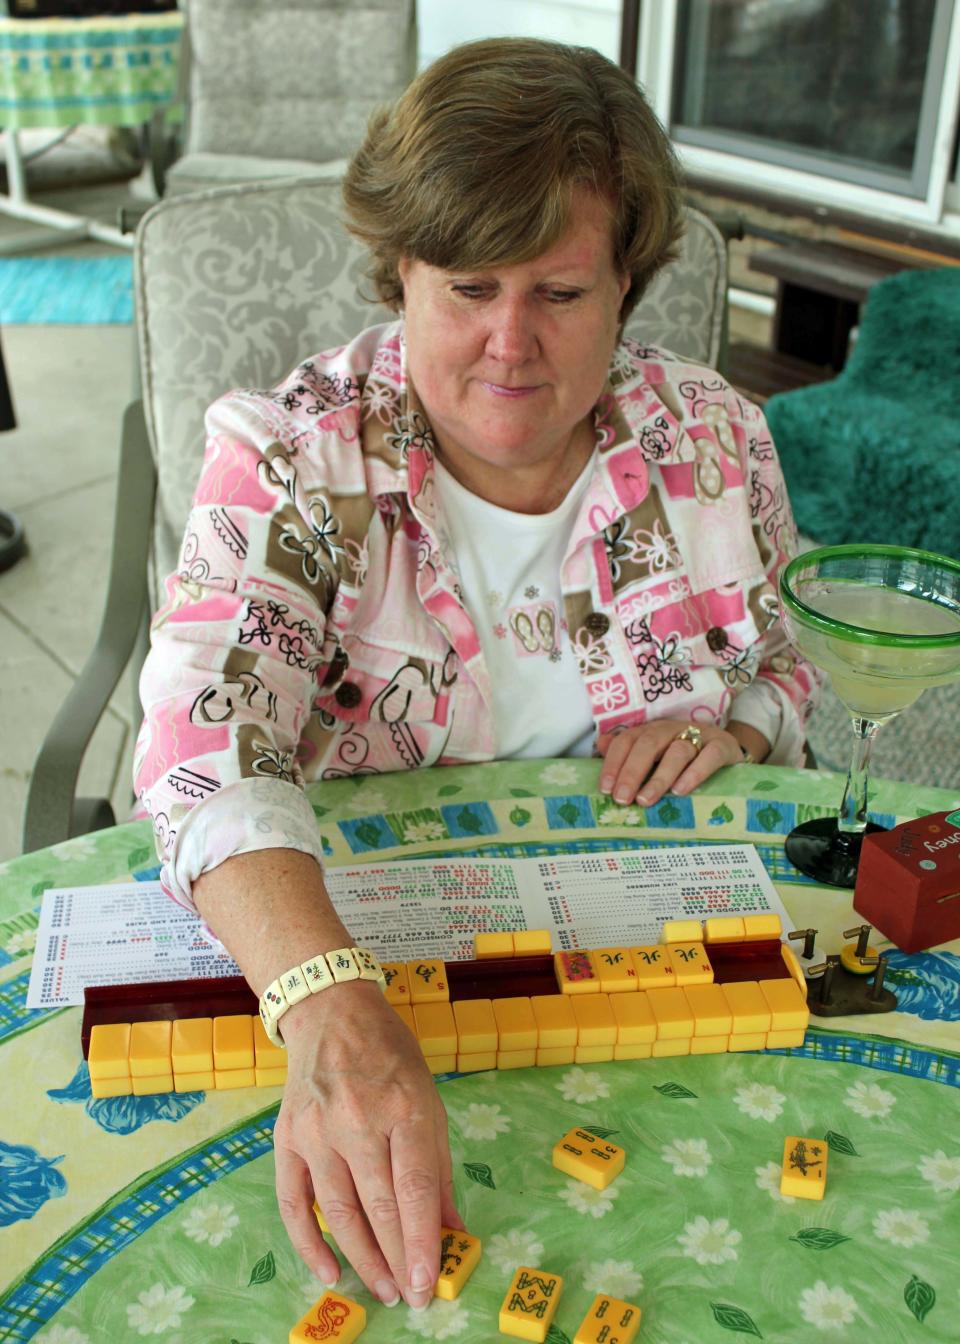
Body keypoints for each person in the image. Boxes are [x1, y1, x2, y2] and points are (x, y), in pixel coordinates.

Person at [134, 37, 820, 1314]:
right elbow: (197, 748)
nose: (511, 345)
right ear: (399, 275)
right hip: (345, 986)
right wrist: (326, 1003)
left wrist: (753, 724)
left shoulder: (720, 439)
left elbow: (787, 663)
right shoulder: (291, 459)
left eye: (560, 294)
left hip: (632, 984)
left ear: (628, 287)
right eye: (467, 286)